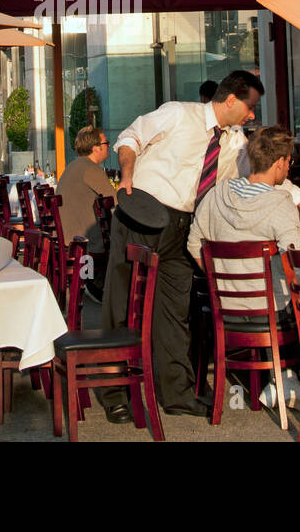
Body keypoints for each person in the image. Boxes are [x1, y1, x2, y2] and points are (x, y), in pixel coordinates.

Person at [99, 69, 263, 421]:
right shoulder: (177, 113)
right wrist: (127, 173)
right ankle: (114, 393)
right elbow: (130, 137)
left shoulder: (235, 142)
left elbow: (256, 178)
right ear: (231, 99)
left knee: (176, 311)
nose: (252, 115)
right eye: (250, 107)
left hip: (184, 226)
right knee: (122, 302)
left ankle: (177, 394)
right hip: (142, 213)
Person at [187, 126, 300, 315]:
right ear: (279, 162)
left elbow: (193, 243)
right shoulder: (280, 204)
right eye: (289, 161)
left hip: (226, 311)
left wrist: (218, 281)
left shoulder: (216, 195)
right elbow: (297, 264)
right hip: (273, 311)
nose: (289, 167)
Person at [58, 126, 116, 299]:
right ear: (96, 147)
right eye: (106, 143)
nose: (109, 146)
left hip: (68, 234)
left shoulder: (75, 165)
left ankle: (91, 281)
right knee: (125, 236)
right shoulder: (91, 169)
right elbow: (115, 200)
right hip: (83, 240)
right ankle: (96, 283)